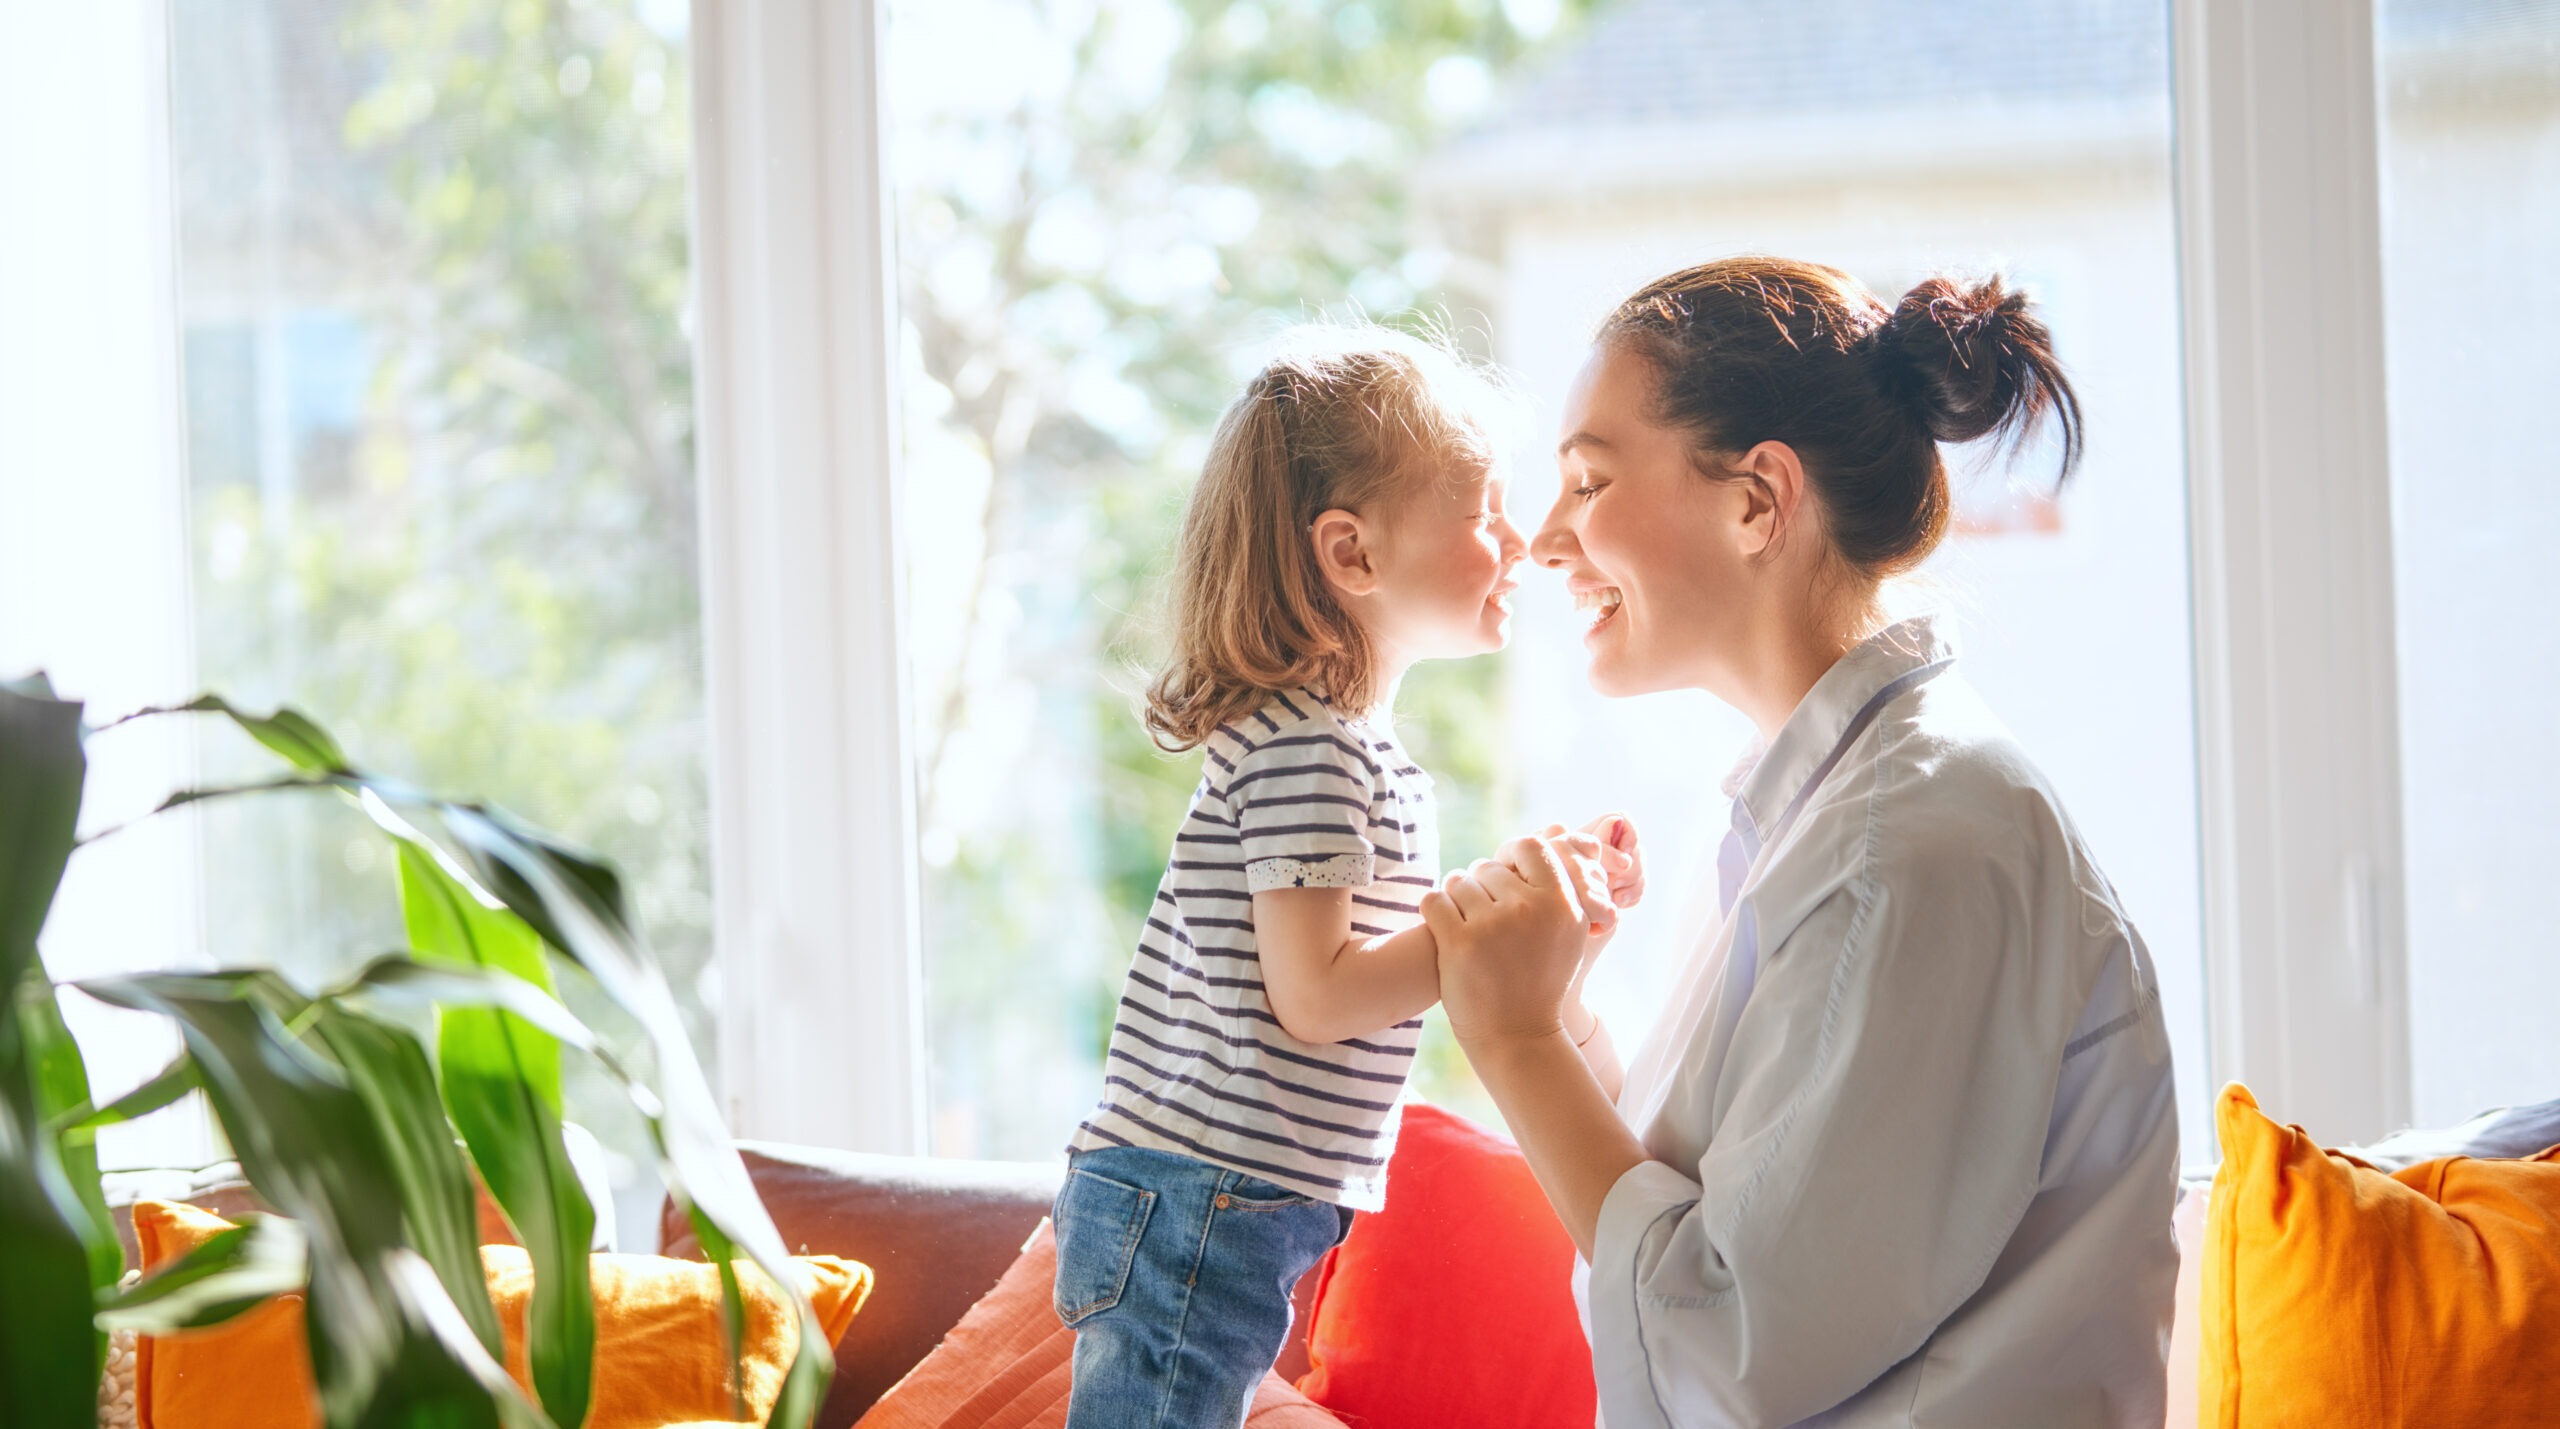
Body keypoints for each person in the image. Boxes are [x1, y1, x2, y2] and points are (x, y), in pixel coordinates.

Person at [1422, 259, 2181, 1427]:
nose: (1540, 540)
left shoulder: (1903, 849)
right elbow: (1746, 1206)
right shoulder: (1826, 812)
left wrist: (1516, 1041)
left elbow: (1728, 1349)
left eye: (1586, 481)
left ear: (1756, 503)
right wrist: (1562, 1021)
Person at [1052, 325, 1633, 1429]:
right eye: (1483, 511)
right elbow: (1316, 994)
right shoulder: (1308, 749)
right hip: (1201, 1198)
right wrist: (1483, 924)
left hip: (1215, 1197)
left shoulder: (1330, 746)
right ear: (1351, 554)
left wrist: (1504, 911)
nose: (1520, 541)